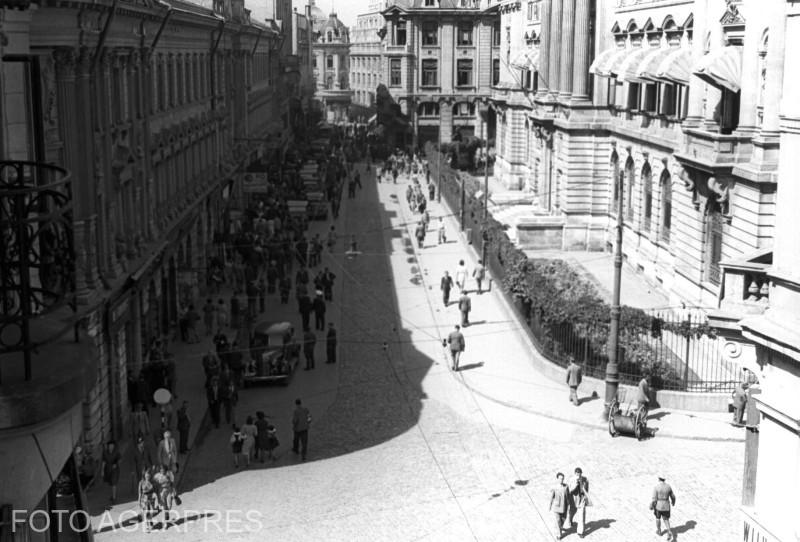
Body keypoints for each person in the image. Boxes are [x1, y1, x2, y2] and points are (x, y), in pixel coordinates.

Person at [568, 468, 591, 538]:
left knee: (582, 516)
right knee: (572, 512)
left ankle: (580, 532)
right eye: (577, 473)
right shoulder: (571, 480)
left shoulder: (585, 480)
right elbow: (570, 490)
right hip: (574, 499)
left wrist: (585, 497)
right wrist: (575, 484)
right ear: (575, 473)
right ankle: (570, 519)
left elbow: (587, 489)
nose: (579, 475)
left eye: (580, 473)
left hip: (582, 500)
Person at [651, 475, 676, 540]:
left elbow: (654, 499)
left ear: (659, 479)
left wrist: (652, 506)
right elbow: (673, 496)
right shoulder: (668, 487)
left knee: (658, 518)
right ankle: (669, 531)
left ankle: (659, 531)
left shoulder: (656, 487)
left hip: (658, 505)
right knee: (666, 519)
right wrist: (673, 502)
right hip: (666, 505)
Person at [549, 472, 569, 540]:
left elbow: (568, 495)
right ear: (557, 479)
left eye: (563, 479)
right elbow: (551, 497)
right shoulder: (554, 487)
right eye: (560, 479)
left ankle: (560, 527)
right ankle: (559, 535)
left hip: (564, 506)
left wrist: (568, 504)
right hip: (557, 506)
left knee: (563, 518)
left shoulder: (566, 486)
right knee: (558, 520)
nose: (561, 480)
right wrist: (550, 505)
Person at [100, 440, 121, 504]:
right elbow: (104, 462)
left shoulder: (116, 452)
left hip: (115, 470)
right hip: (108, 470)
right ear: (108, 446)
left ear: (114, 446)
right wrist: (102, 470)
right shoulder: (105, 453)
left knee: (114, 483)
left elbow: (120, 459)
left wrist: (116, 464)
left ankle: (114, 498)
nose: (111, 447)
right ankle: (112, 495)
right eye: (110, 446)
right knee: (111, 483)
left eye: (112, 446)